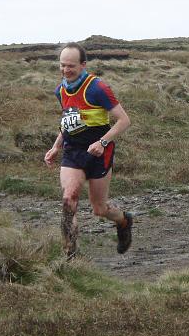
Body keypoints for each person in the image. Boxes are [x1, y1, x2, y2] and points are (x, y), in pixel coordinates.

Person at [44, 43, 133, 259]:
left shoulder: (97, 88)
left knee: (99, 209)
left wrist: (102, 143)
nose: (66, 70)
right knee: (69, 200)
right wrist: (56, 146)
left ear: (83, 65)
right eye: (62, 65)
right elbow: (68, 121)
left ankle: (123, 221)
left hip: (99, 153)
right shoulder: (61, 90)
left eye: (71, 66)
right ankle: (70, 256)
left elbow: (124, 121)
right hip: (73, 150)